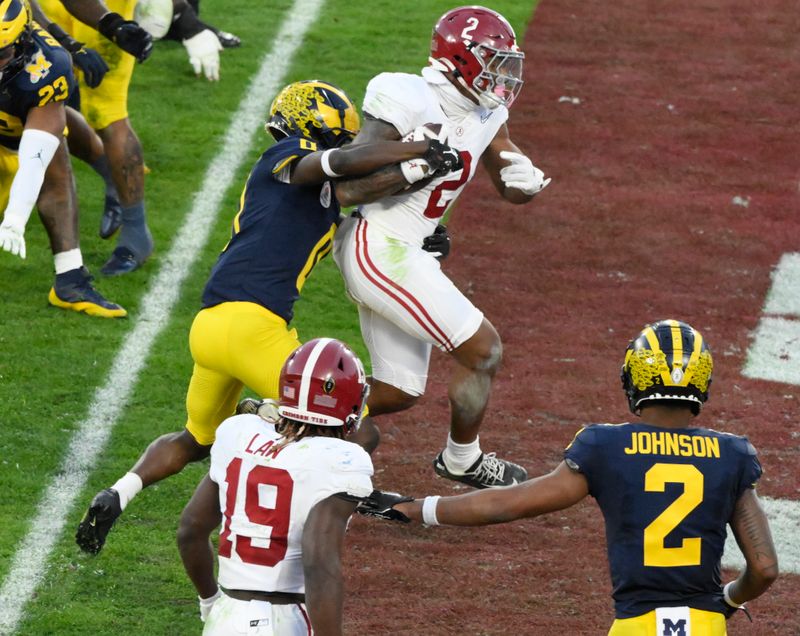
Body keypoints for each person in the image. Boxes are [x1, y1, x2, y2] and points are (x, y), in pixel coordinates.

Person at [74, 79, 463, 554]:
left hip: (212, 327)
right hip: (252, 326)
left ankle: (118, 493)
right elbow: (338, 164)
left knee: (197, 437)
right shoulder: (286, 156)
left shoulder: (312, 195)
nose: (346, 142)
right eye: (339, 133)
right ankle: (327, 502)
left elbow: (356, 194)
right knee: (356, 426)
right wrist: (419, 148)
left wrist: (418, 192)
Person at [361, 319, 780, 635]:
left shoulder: (605, 446)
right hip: (707, 625)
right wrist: (727, 598)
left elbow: (508, 503)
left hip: (637, 624)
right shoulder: (733, 454)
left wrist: (417, 509)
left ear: (633, 377)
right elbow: (763, 568)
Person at [332, 5, 551, 490]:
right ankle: (461, 459)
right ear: (460, 58)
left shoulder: (489, 110)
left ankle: (288, 416)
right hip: (379, 244)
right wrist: (414, 166)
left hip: (409, 249)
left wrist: (524, 182)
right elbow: (348, 178)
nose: (503, 74)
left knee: (398, 390)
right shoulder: (407, 94)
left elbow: (505, 179)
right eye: (493, 61)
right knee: (483, 349)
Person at [177, 338, 374, 634]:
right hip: (281, 620)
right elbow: (319, 565)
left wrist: (210, 602)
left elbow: (190, 528)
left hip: (225, 616)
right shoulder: (342, 460)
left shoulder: (239, 432)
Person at [0, 0, 126, 317]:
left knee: (54, 160)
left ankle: (70, 278)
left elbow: (35, 158)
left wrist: (15, 219)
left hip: (15, 130)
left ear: (21, 39)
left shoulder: (45, 67)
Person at [37, 0, 156, 275]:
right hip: (43, 7)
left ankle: (136, 234)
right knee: (42, 99)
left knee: (105, 112)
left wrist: (112, 25)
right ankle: (110, 174)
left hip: (102, 6)